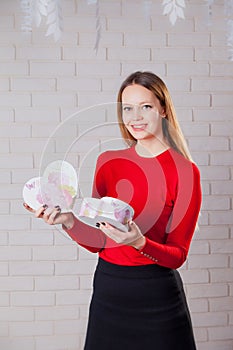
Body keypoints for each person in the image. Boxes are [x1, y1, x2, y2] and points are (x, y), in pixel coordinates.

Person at [24, 71, 202, 350]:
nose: (135, 117)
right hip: (109, 290)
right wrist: (67, 220)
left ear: (163, 110)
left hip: (157, 296)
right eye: (127, 108)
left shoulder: (186, 172)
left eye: (146, 107)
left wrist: (139, 242)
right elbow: (99, 242)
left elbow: (177, 255)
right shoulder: (108, 162)